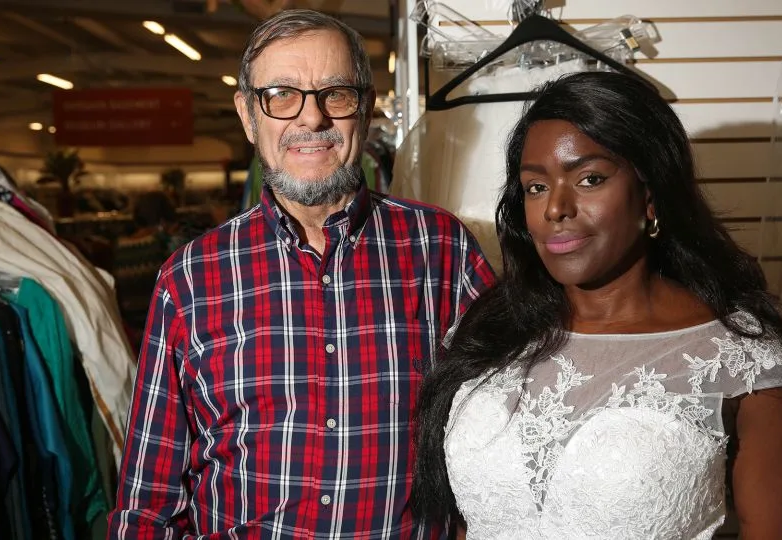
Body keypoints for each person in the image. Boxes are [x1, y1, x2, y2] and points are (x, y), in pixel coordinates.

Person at [411, 71, 782, 539]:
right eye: (536, 187)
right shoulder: (490, 334)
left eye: (589, 179)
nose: (556, 208)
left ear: (650, 194)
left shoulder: (743, 359)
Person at [108, 10, 494, 539]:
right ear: (248, 115)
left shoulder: (441, 249)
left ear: (366, 105)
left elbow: (503, 447)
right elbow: (148, 502)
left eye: (335, 93)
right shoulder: (190, 278)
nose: (311, 120)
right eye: (282, 95)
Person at [112, 190, 178, 335]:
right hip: (163, 327)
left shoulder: (120, 246)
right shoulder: (162, 244)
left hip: (132, 328)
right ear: (163, 219)